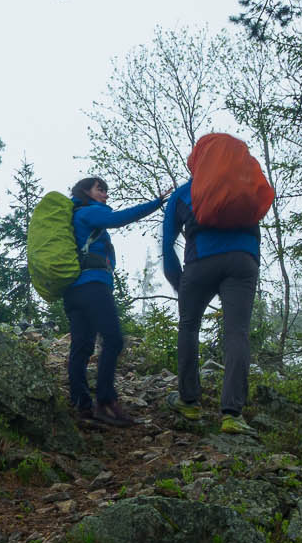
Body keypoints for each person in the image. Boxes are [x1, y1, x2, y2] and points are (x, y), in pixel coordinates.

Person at [161, 156, 263, 435]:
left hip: (200, 263)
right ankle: (232, 414)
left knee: (188, 327)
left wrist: (178, 281)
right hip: (243, 261)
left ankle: (189, 401)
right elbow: (256, 232)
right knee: (237, 332)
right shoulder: (242, 189)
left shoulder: (184, 192)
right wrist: (249, 261)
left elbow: (167, 242)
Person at [66, 176, 166, 427]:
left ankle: (82, 405)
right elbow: (118, 219)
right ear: (85, 192)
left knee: (82, 346)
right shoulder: (88, 213)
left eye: (106, 191)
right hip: (93, 286)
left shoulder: (75, 218)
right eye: (100, 189)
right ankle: (106, 402)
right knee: (113, 339)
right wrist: (156, 203)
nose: (105, 195)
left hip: (73, 291)